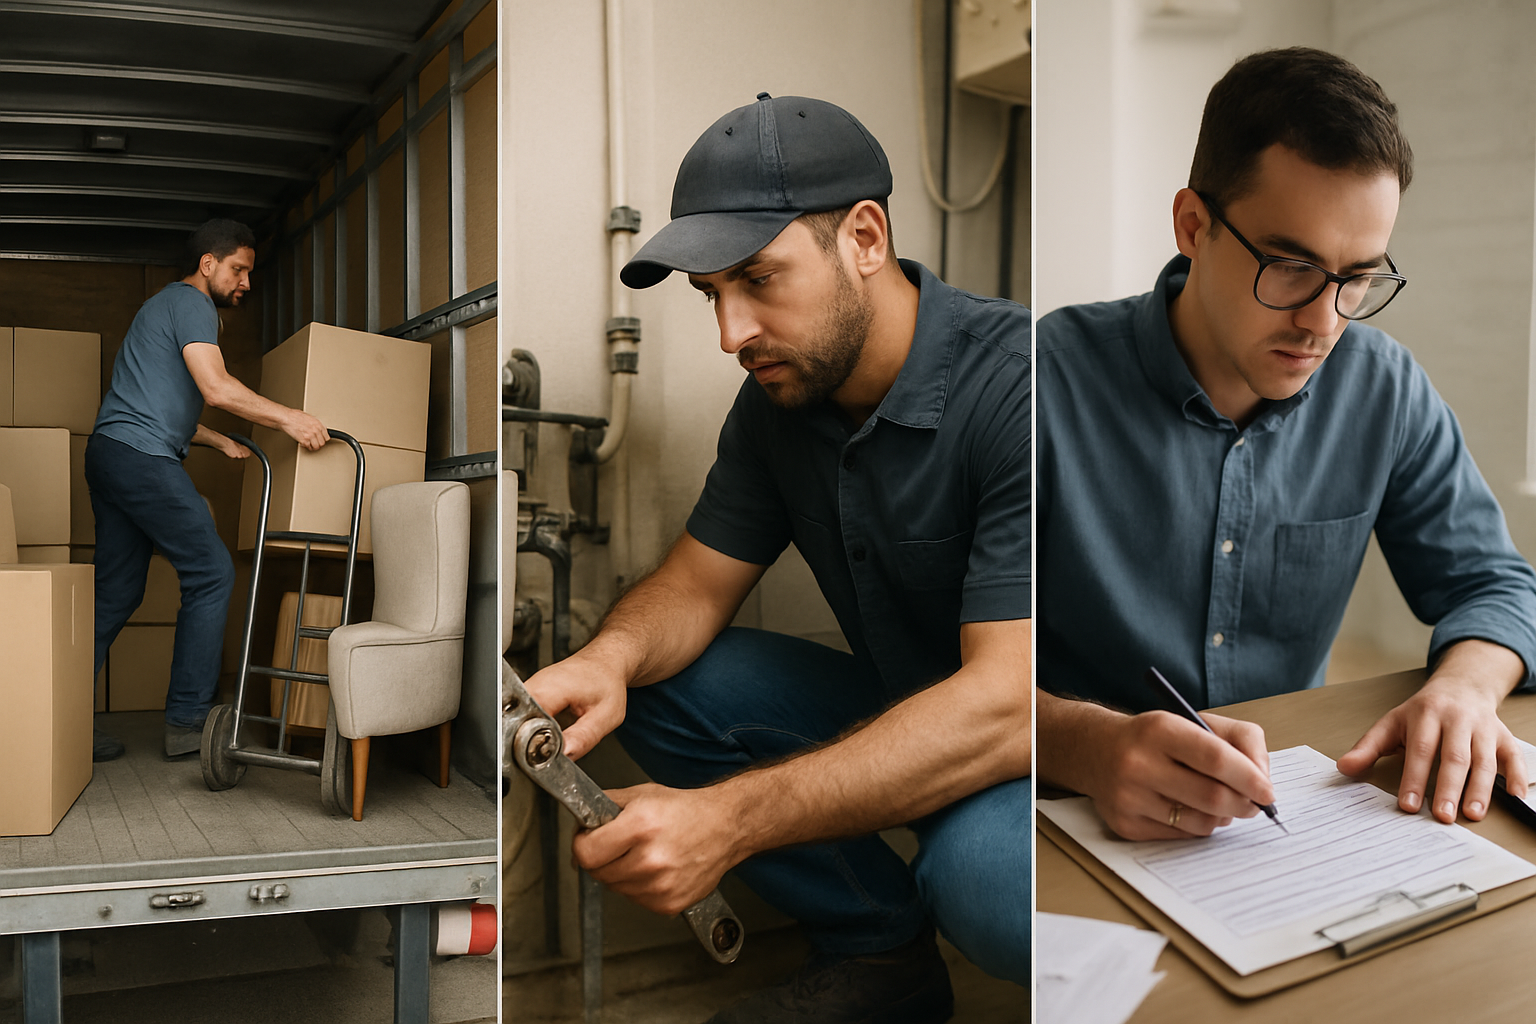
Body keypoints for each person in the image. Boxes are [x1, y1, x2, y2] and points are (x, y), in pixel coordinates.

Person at [523, 94, 1030, 1022]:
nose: (731, 333)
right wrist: (607, 661)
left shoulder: (1020, 386)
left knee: (986, 885)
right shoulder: (777, 402)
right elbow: (692, 584)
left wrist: (727, 822)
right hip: (909, 704)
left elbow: (1005, 702)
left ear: (865, 239)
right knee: (658, 677)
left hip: (1041, 738)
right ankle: (883, 955)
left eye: (759, 278)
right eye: (711, 294)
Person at [1036, 47, 1536, 841]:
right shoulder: (1044, 384)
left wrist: (1466, 690)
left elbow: (1498, 587)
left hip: (1282, 822)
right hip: (1066, 811)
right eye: (1293, 266)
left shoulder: (1384, 386)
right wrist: (1084, 746)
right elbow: (948, 663)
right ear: (1193, 227)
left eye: (1359, 276)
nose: (1324, 320)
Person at [88, 219, 329, 761]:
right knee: (212, 571)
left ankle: (58, 716)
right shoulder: (194, 305)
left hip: (111, 453)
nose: (246, 282)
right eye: (239, 269)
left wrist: (219, 442)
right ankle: (189, 720)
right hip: (140, 457)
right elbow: (215, 387)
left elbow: (158, 403)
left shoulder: (160, 307)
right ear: (208, 264)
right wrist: (290, 418)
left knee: (116, 592)